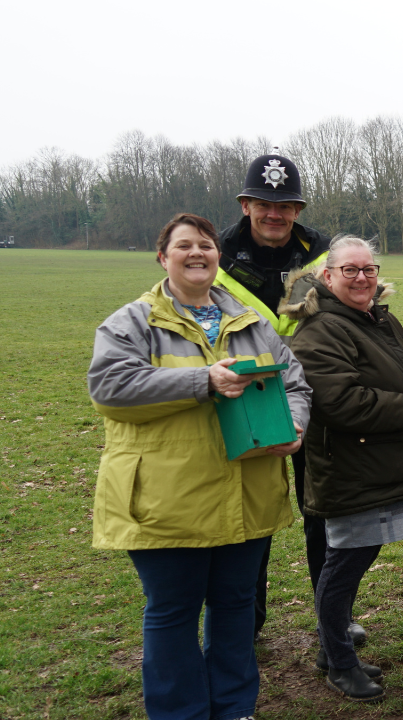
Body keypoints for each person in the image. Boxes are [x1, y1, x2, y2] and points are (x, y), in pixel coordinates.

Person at [88, 213, 309, 720]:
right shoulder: (132, 322)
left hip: (245, 498)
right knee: (173, 614)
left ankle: (236, 709)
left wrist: (293, 427)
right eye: (183, 245)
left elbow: (294, 384)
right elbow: (110, 389)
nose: (197, 253)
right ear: (162, 257)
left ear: (219, 257)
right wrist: (201, 382)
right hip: (168, 503)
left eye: (206, 245)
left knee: (235, 610)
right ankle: (180, 713)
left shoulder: (251, 323)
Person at [286, 236, 403, 702]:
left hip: (379, 465)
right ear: (327, 277)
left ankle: (333, 650)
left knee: (357, 560)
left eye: (369, 270)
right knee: (343, 566)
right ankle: (337, 661)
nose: (362, 278)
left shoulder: (377, 319)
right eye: (350, 270)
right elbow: (339, 403)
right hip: (352, 469)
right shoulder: (319, 330)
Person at [214, 148, 338, 640]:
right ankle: (250, 619)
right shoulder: (217, 255)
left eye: (285, 205)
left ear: (298, 211)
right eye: (264, 203)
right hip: (249, 397)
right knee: (253, 516)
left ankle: (332, 617)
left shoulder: (322, 254)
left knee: (322, 512)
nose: (274, 213)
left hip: (318, 397)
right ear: (246, 204)